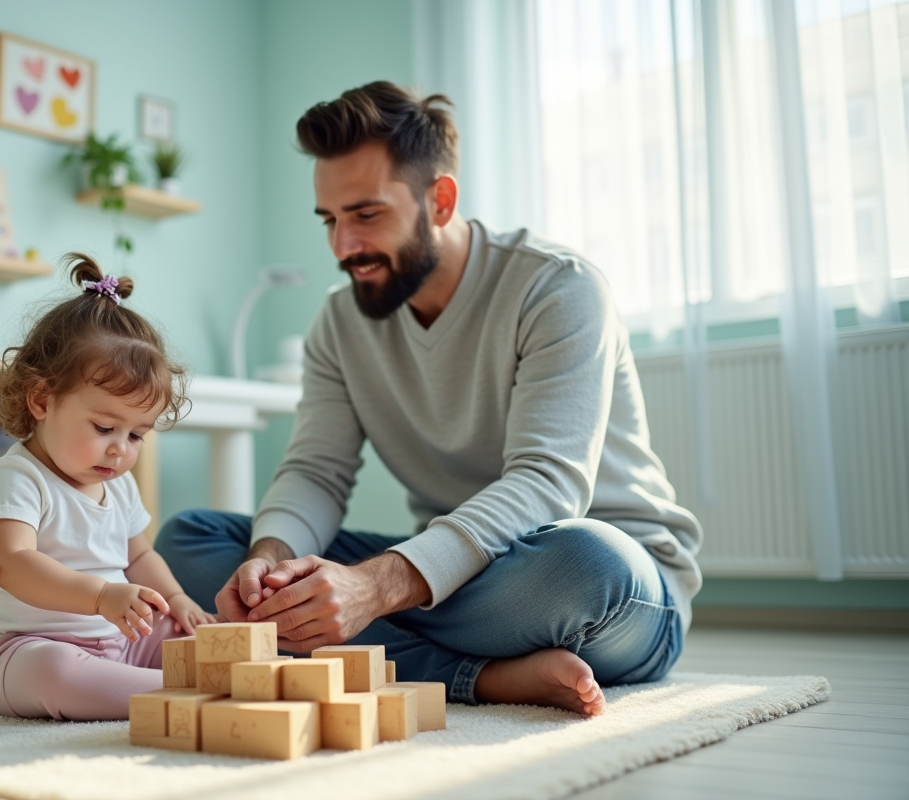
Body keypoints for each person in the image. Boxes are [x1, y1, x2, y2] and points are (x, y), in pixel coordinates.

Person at [156, 81, 703, 717]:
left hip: (600, 588)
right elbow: (316, 471)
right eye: (330, 220)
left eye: (366, 215)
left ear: (439, 201)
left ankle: (371, 639)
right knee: (190, 541)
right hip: (454, 572)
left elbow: (546, 482)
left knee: (586, 561)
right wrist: (270, 564)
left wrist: (373, 587)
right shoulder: (339, 324)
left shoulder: (558, 288)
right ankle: (484, 676)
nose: (342, 248)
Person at [0, 253, 216, 721]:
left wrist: (177, 600)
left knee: (195, 638)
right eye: (104, 428)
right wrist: (100, 596)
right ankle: (177, 691)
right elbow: (10, 564)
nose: (120, 449)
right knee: (56, 672)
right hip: (21, 652)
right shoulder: (16, 477)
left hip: (121, 642)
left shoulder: (118, 486)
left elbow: (140, 557)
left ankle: (208, 677)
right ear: (42, 400)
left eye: (136, 435)